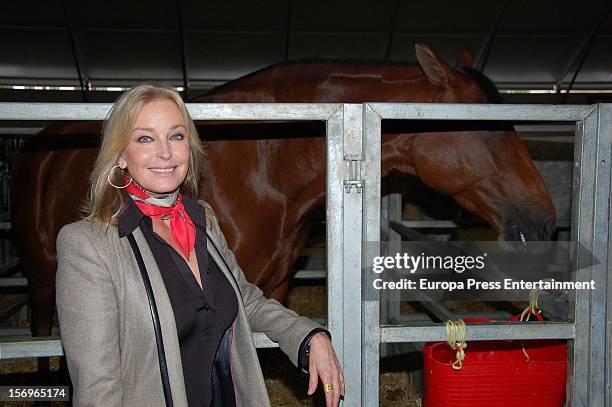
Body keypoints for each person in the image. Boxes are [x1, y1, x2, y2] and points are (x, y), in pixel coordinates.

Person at [56, 84, 345, 407]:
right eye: (145, 138)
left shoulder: (202, 219)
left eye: (176, 136)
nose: (165, 152)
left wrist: (308, 335)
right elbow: (97, 390)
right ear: (120, 155)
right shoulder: (87, 246)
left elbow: (244, 299)